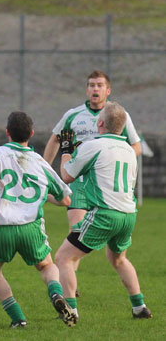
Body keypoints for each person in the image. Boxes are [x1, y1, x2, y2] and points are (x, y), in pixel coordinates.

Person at [55, 102, 152, 320]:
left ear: (100, 123)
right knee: (118, 259)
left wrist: (67, 150)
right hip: (128, 215)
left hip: (105, 214)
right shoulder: (130, 150)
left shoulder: (94, 146)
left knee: (63, 258)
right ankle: (140, 307)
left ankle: (71, 311)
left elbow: (67, 176)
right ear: (123, 125)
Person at [0, 111, 77, 328]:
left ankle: (17, 318)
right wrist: (43, 195)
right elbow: (66, 199)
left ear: (7, 133)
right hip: (30, 229)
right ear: (31, 134)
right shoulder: (39, 161)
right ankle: (55, 294)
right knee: (46, 266)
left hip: (0, 228)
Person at [43, 70, 141, 284]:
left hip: (105, 186)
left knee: (95, 248)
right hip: (78, 182)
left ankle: (68, 278)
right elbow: (55, 140)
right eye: (91, 85)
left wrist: (114, 160)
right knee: (75, 231)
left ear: (108, 90)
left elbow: (136, 146)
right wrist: (45, 169)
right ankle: (71, 282)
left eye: (99, 85)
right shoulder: (73, 115)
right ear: (87, 90)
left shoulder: (118, 115)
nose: (95, 89)